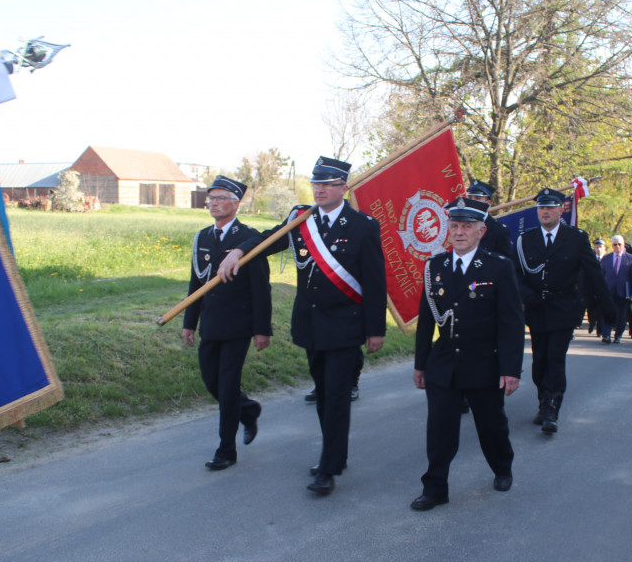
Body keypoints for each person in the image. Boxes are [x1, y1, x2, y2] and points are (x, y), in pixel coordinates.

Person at [218, 157, 387, 496]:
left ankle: (328, 467)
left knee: (337, 397)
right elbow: (269, 240)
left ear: (344, 187)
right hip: (311, 325)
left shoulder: (363, 226)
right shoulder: (301, 219)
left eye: (327, 184)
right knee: (324, 396)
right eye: (316, 184)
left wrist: (375, 328)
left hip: (344, 326)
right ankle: (334, 454)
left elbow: (374, 279)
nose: (320, 190)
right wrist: (238, 250)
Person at [410, 198, 524, 510]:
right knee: (439, 430)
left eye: (467, 227)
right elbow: (425, 321)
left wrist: (511, 369)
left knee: (491, 426)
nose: (459, 232)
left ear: (481, 231)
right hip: (444, 363)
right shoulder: (434, 266)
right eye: (455, 226)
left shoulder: (498, 267)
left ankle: (502, 467)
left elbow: (511, 323)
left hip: (484, 363)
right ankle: (435, 488)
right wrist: (420, 364)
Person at [182, 176, 271, 471]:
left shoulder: (248, 239)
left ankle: (226, 450)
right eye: (211, 198)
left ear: (236, 203)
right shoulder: (202, 238)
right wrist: (189, 323)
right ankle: (248, 409)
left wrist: (261, 329)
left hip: (238, 325)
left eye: (220, 198)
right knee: (212, 382)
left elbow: (261, 288)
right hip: (210, 324)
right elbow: (196, 283)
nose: (214, 203)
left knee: (228, 384)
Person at [514, 188, 612, 433]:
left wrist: (607, 307)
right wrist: (527, 296)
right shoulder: (526, 239)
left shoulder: (576, 238)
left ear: (560, 210)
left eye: (550, 208)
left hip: (563, 308)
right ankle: (542, 400)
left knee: (555, 359)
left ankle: (551, 408)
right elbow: (516, 274)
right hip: (536, 309)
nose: (545, 212)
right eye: (541, 208)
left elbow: (593, 273)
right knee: (539, 361)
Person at [599, 235, 632, 344]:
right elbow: (601, 276)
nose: (617, 247)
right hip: (609, 291)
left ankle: (618, 335)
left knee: (621, 315)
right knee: (607, 312)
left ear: (623, 245)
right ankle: (606, 334)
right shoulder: (606, 258)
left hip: (623, 291)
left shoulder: (629, 258)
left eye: (619, 244)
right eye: (615, 244)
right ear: (612, 245)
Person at [465, 179, 515, 260]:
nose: (472, 202)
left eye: (477, 198)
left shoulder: (499, 230)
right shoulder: (460, 226)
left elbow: (506, 264)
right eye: (470, 198)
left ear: (488, 202)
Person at [584, 238, 606, 334]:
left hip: (602, 288)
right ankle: (592, 322)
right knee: (591, 307)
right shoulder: (590, 258)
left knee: (601, 308)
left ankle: (600, 329)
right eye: (597, 247)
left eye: (600, 247)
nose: (598, 249)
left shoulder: (607, 259)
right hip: (591, 287)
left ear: (604, 248)